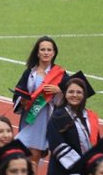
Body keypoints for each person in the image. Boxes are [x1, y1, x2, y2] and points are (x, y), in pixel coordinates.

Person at [44, 72, 100, 175]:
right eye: (71, 92)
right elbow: (57, 145)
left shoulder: (90, 117)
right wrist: (82, 165)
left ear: (84, 95)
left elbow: (97, 144)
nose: (75, 95)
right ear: (65, 94)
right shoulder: (58, 116)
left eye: (79, 92)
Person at [13, 36, 67, 166]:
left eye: (49, 50)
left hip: (45, 118)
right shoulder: (29, 72)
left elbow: (73, 93)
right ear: (37, 53)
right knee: (21, 153)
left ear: (54, 53)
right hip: (30, 116)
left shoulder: (60, 74)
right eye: (43, 49)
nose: (46, 52)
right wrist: (22, 101)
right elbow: (19, 92)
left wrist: (59, 90)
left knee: (34, 155)